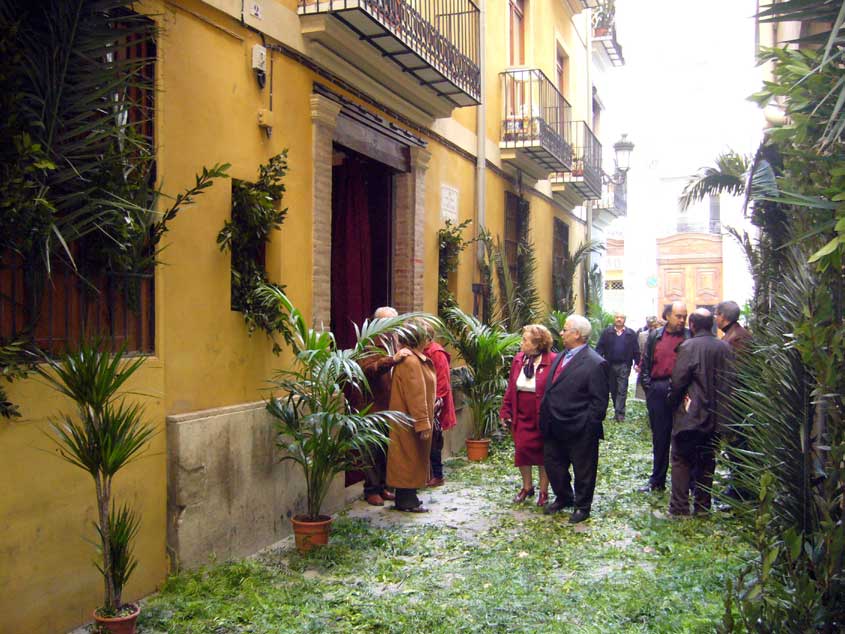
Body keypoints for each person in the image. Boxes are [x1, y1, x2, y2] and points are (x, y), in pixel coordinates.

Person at [539, 315, 609, 523]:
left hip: (579, 426)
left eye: (565, 329)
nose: (561, 333)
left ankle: (582, 506)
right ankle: (564, 497)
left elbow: (600, 402)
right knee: (553, 464)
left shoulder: (595, 363)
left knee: (583, 470)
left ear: (577, 334)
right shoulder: (562, 356)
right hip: (554, 423)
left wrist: (588, 424)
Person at [667, 309, 732, 515]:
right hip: (716, 415)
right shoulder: (725, 348)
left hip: (691, 415)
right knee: (707, 460)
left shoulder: (688, 347)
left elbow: (678, 381)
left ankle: (680, 506)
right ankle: (703, 505)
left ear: (692, 325)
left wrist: (672, 404)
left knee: (681, 459)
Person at [357, 306, 411, 506]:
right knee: (371, 448)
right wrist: (390, 361)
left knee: (385, 449)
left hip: (391, 405)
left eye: (394, 322)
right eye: (388, 322)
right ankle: (371, 489)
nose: (392, 327)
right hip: (373, 405)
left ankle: (383, 486)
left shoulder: (395, 340)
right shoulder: (369, 342)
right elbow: (367, 369)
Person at [500, 324, 556, 506]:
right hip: (521, 414)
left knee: (543, 454)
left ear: (537, 344)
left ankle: (544, 491)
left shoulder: (553, 360)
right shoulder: (518, 360)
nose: (521, 343)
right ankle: (527, 487)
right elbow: (510, 388)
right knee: (522, 451)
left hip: (542, 415)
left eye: (525, 340)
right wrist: (505, 411)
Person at [639, 301, 690, 492]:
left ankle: (686, 483)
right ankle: (657, 480)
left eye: (684, 316)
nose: (682, 320)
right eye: (678, 316)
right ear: (667, 316)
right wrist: (649, 387)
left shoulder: (688, 336)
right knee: (660, 437)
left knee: (684, 437)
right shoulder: (655, 336)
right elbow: (645, 364)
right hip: (658, 389)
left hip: (682, 390)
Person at [385, 321, 436, 512]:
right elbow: (415, 396)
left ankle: (407, 497)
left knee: (408, 458)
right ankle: (407, 500)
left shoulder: (412, 359)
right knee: (408, 458)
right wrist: (423, 424)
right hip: (409, 420)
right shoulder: (411, 361)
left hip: (407, 419)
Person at [714, 299, 753, 503]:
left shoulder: (737, 339)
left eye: (716, 314)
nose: (715, 318)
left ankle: (740, 488)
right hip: (733, 400)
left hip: (736, 402)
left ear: (724, 317)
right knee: (733, 446)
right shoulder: (733, 335)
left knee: (738, 445)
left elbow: (736, 373)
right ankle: (736, 484)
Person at [423, 323, 457, 488]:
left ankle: (438, 475)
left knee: (434, 439)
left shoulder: (436, 352)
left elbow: (442, 381)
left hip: (436, 403)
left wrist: (434, 403)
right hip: (426, 400)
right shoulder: (424, 350)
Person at [595, 313, 640, 422]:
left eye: (621, 318)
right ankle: (617, 408)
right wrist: (596, 360)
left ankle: (620, 414)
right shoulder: (607, 332)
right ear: (614, 319)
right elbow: (600, 347)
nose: (619, 319)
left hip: (624, 365)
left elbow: (636, 349)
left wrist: (637, 363)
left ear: (625, 320)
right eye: (617, 317)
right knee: (613, 389)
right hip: (610, 365)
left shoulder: (631, 333)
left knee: (622, 389)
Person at [635, 316, 659, 400]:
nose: (652, 328)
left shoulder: (660, 335)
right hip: (644, 365)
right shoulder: (642, 335)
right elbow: (638, 350)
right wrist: (637, 364)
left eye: (655, 326)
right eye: (650, 325)